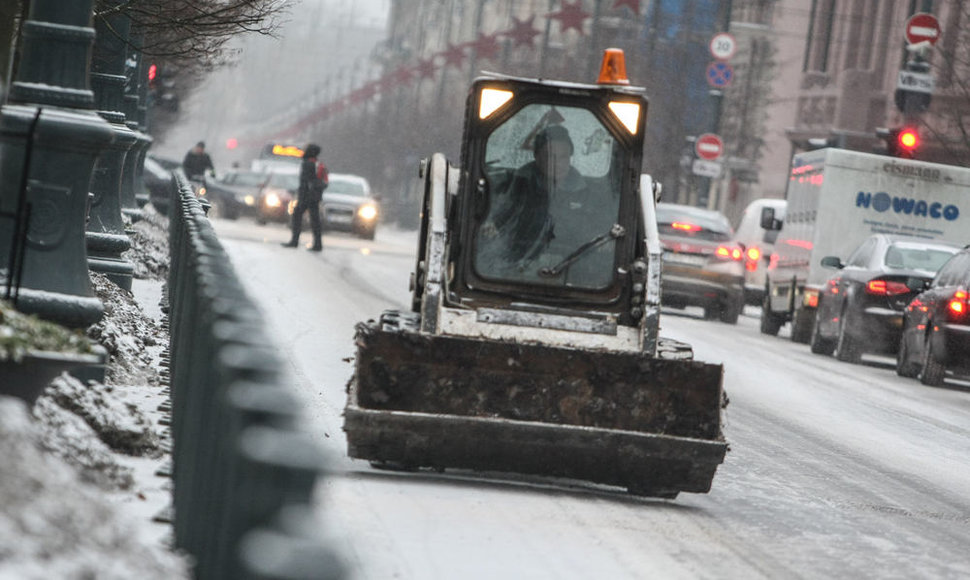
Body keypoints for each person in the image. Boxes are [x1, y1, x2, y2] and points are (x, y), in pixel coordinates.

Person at [478, 124, 605, 283]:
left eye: (563, 157)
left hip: (572, 272)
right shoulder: (514, 187)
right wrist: (489, 224)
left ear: (570, 157)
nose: (557, 163)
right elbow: (494, 213)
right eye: (550, 156)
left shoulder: (588, 196)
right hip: (514, 268)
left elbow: (600, 231)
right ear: (537, 157)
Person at [282, 143, 328, 251]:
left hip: (306, 196)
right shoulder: (318, 164)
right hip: (315, 196)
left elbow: (306, 181)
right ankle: (318, 243)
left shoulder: (307, 164)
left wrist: (303, 193)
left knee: (297, 216)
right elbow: (323, 181)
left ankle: (295, 240)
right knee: (315, 220)